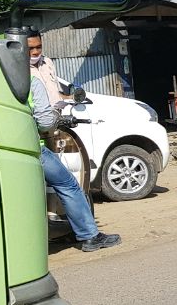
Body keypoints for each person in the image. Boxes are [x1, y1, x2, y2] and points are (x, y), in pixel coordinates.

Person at [31, 77, 121, 252]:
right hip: (31, 149)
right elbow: (44, 122)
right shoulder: (29, 81)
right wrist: (55, 115)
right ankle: (90, 235)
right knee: (68, 185)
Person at [28, 30, 63, 104]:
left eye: (39, 47)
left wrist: (70, 98)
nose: (36, 52)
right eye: (30, 48)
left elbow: (57, 94)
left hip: (57, 113)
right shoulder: (19, 69)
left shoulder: (47, 62)